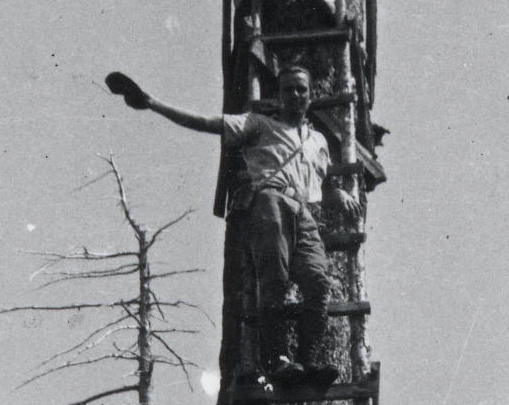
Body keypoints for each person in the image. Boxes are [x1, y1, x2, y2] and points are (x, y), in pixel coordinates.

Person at [103, 56, 380, 385]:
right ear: (279, 96)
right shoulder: (259, 125)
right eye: (288, 90)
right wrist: (152, 103)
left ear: (310, 95)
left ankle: (308, 361)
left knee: (318, 282)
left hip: (304, 212)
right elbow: (206, 122)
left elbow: (321, 180)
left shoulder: (317, 141)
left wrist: (339, 194)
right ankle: (278, 359)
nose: (295, 95)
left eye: (301, 89)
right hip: (269, 201)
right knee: (274, 277)